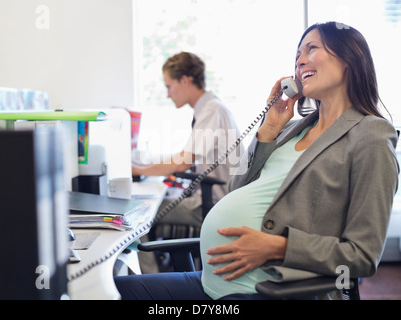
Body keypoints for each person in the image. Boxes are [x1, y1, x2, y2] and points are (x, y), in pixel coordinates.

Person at [115, 22, 399, 300]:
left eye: (311, 49)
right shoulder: (292, 128)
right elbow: (235, 189)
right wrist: (267, 132)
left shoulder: (370, 134)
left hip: (269, 288)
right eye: (297, 55)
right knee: (111, 291)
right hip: (213, 282)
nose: (300, 61)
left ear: (350, 57)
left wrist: (278, 247)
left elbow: (362, 256)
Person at [134, 52, 244, 272]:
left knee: (139, 214)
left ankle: (150, 281)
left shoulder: (212, 109)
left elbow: (184, 160)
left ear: (185, 80)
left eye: (169, 86)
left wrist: (139, 169)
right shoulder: (210, 108)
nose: (168, 94)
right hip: (211, 197)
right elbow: (189, 158)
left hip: (214, 202)